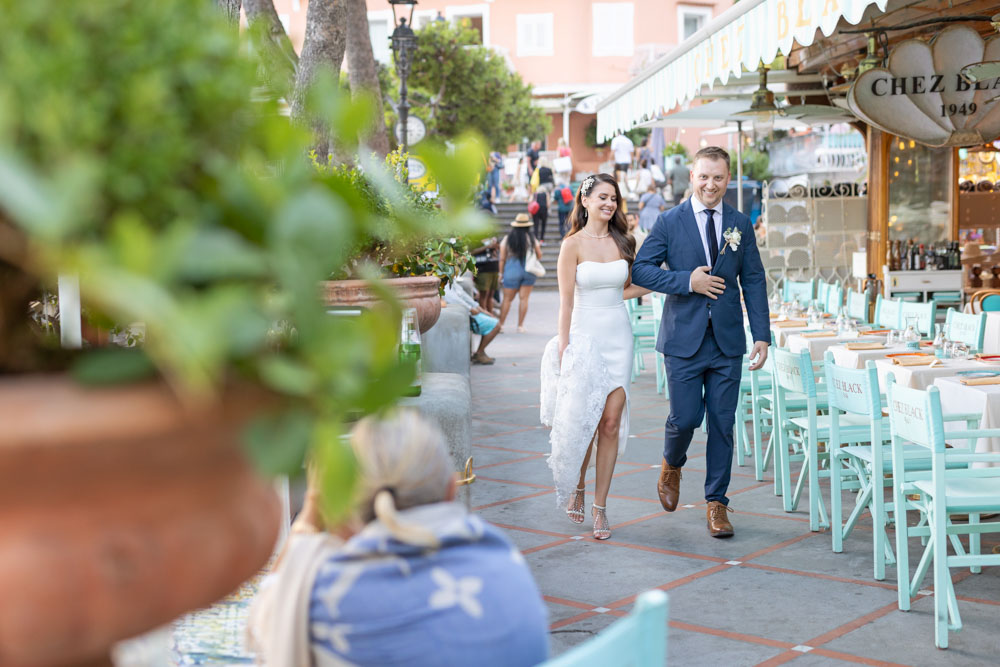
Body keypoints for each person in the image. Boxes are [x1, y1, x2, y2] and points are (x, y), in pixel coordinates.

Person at [248, 411, 550, 666]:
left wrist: (310, 515)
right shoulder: (504, 562)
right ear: (451, 489)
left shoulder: (323, 597)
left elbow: (258, 634)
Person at [631, 146, 770, 539]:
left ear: (728, 180)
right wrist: (685, 281)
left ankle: (717, 504)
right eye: (704, 176)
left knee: (723, 424)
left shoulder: (741, 224)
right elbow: (641, 270)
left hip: (728, 342)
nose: (711, 184)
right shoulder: (669, 222)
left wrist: (761, 333)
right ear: (691, 177)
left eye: (719, 178)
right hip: (683, 340)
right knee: (686, 418)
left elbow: (754, 279)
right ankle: (671, 463)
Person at [540, 173, 650, 540]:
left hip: (619, 336)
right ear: (585, 201)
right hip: (585, 338)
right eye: (603, 197)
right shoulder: (571, 245)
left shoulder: (624, 241)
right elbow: (566, 301)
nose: (609, 204)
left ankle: (601, 507)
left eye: (614, 199)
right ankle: (579, 485)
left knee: (610, 424)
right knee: (586, 422)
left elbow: (627, 287)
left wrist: (660, 279)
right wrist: (563, 345)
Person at [499, 213, 543, 333]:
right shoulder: (531, 238)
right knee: (524, 299)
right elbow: (539, 255)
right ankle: (520, 326)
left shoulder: (508, 238)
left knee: (507, 299)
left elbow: (502, 258)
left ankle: (501, 325)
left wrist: (500, 273)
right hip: (528, 270)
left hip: (512, 269)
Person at [443, 279, 501, 364]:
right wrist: (471, 309)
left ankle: (480, 352)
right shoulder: (444, 284)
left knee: (495, 322)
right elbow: (455, 300)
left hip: (468, 312)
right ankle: (479, 353)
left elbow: (464, 296)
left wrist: (481, 310)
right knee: (496, 325)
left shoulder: (451, 281)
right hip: (464, 315)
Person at [471, 236, 500, 313]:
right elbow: (471, 252)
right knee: (484, 294)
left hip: (494, 267)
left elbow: (499, 248)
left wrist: (495, 246)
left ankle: (490, 314)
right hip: (482, 269)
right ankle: (484, 314)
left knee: (491, 295)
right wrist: (486, 247)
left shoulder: (493, 235)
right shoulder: (474, 237)